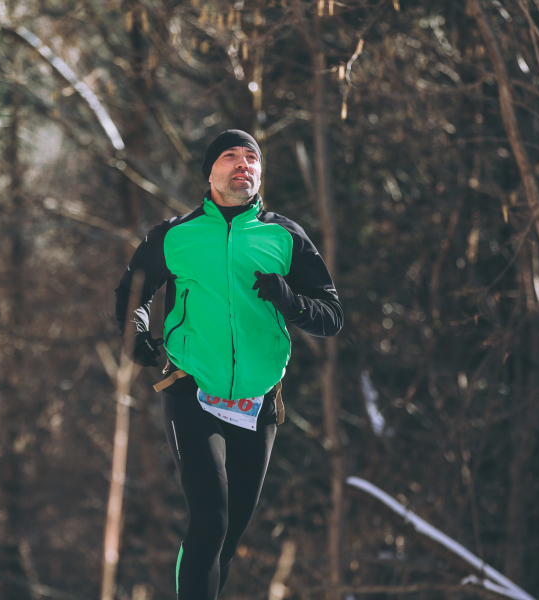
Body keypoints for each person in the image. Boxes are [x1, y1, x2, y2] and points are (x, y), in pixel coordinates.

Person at [115, 129, 343, 600]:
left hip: (257, 405)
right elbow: (131, 292)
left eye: (252, 157)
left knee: (228, 537)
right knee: (210, 521)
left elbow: (331, 316)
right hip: (192, 391)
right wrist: (135, 334)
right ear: (210, 172)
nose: (243, 164)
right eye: (230, 156)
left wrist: (290, 300)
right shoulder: (175, 235)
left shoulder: (284, 236)